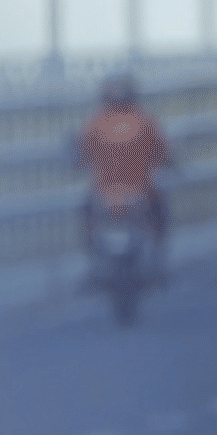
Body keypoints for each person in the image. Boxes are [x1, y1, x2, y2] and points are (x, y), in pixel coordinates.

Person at [73, 73, 174, 282]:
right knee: (161, 214)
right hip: (142, 192)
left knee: (85, 215)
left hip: (103, 194)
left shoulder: (93, 123)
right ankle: (158, 262)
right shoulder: (145, 121)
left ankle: (92, 266)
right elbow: (164, 153)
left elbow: (79, 156)